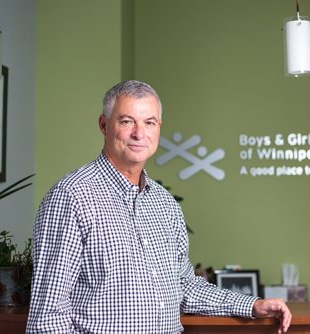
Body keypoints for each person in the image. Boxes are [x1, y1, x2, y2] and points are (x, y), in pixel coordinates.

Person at [26, 80, 292, 333]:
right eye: (126, 121)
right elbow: (48, 315)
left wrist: (253, 305)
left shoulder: (165, 204)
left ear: (159, 128)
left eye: (149, 122)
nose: (139, 133)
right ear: (104, 125)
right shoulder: (71, 197)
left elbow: (185, 287)